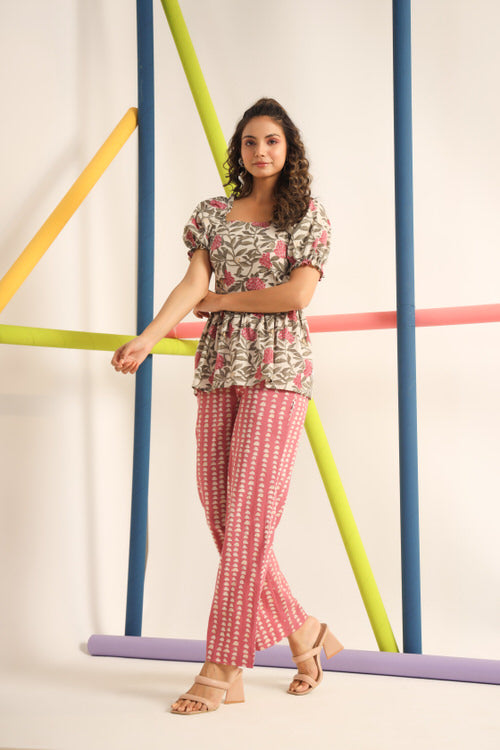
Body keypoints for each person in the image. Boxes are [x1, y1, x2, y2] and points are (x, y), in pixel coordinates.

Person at [111, 97, 343, 715]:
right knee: (220, 510)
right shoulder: (211, 213)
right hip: (218, 366)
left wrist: (224, 301)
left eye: (272, 140)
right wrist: (148, 338)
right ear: (238, 151)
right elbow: (194, 284)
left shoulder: (307, 214)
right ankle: (304, 631)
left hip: (278, 368)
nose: (261, 151)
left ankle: (223, 666)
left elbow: (298, 294)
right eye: (250, 142)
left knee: (248, 519)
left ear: (289, 148)